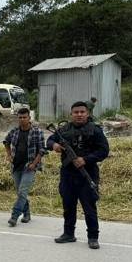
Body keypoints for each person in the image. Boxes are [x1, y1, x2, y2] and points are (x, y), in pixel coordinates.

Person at [46, 101, 110, 249]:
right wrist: (54, 145)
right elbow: (50, 140)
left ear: (87, 114)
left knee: (89, 207)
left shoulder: (95, 130)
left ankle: (93, 237)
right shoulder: (64, 129)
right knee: (68, 206)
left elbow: (104, 151)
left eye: (82, 112)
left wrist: (85, 159)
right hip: (68, 174)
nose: (79, 115)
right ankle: (68, 234)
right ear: (71, 114)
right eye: (76, 112)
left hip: (87, 173)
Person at [3, 107, 45, 226]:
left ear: (29, 118)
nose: (22, 119)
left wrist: (34, 164)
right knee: (20, 192)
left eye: (24, 117)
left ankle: (14, 216)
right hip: (16, 166)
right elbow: (6, 142)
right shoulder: (15, 131)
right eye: (20, 117)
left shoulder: (37, 132)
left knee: (22, 191)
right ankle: (27, 214)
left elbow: (42, 150)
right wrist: (9, 155)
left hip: (29, 167)